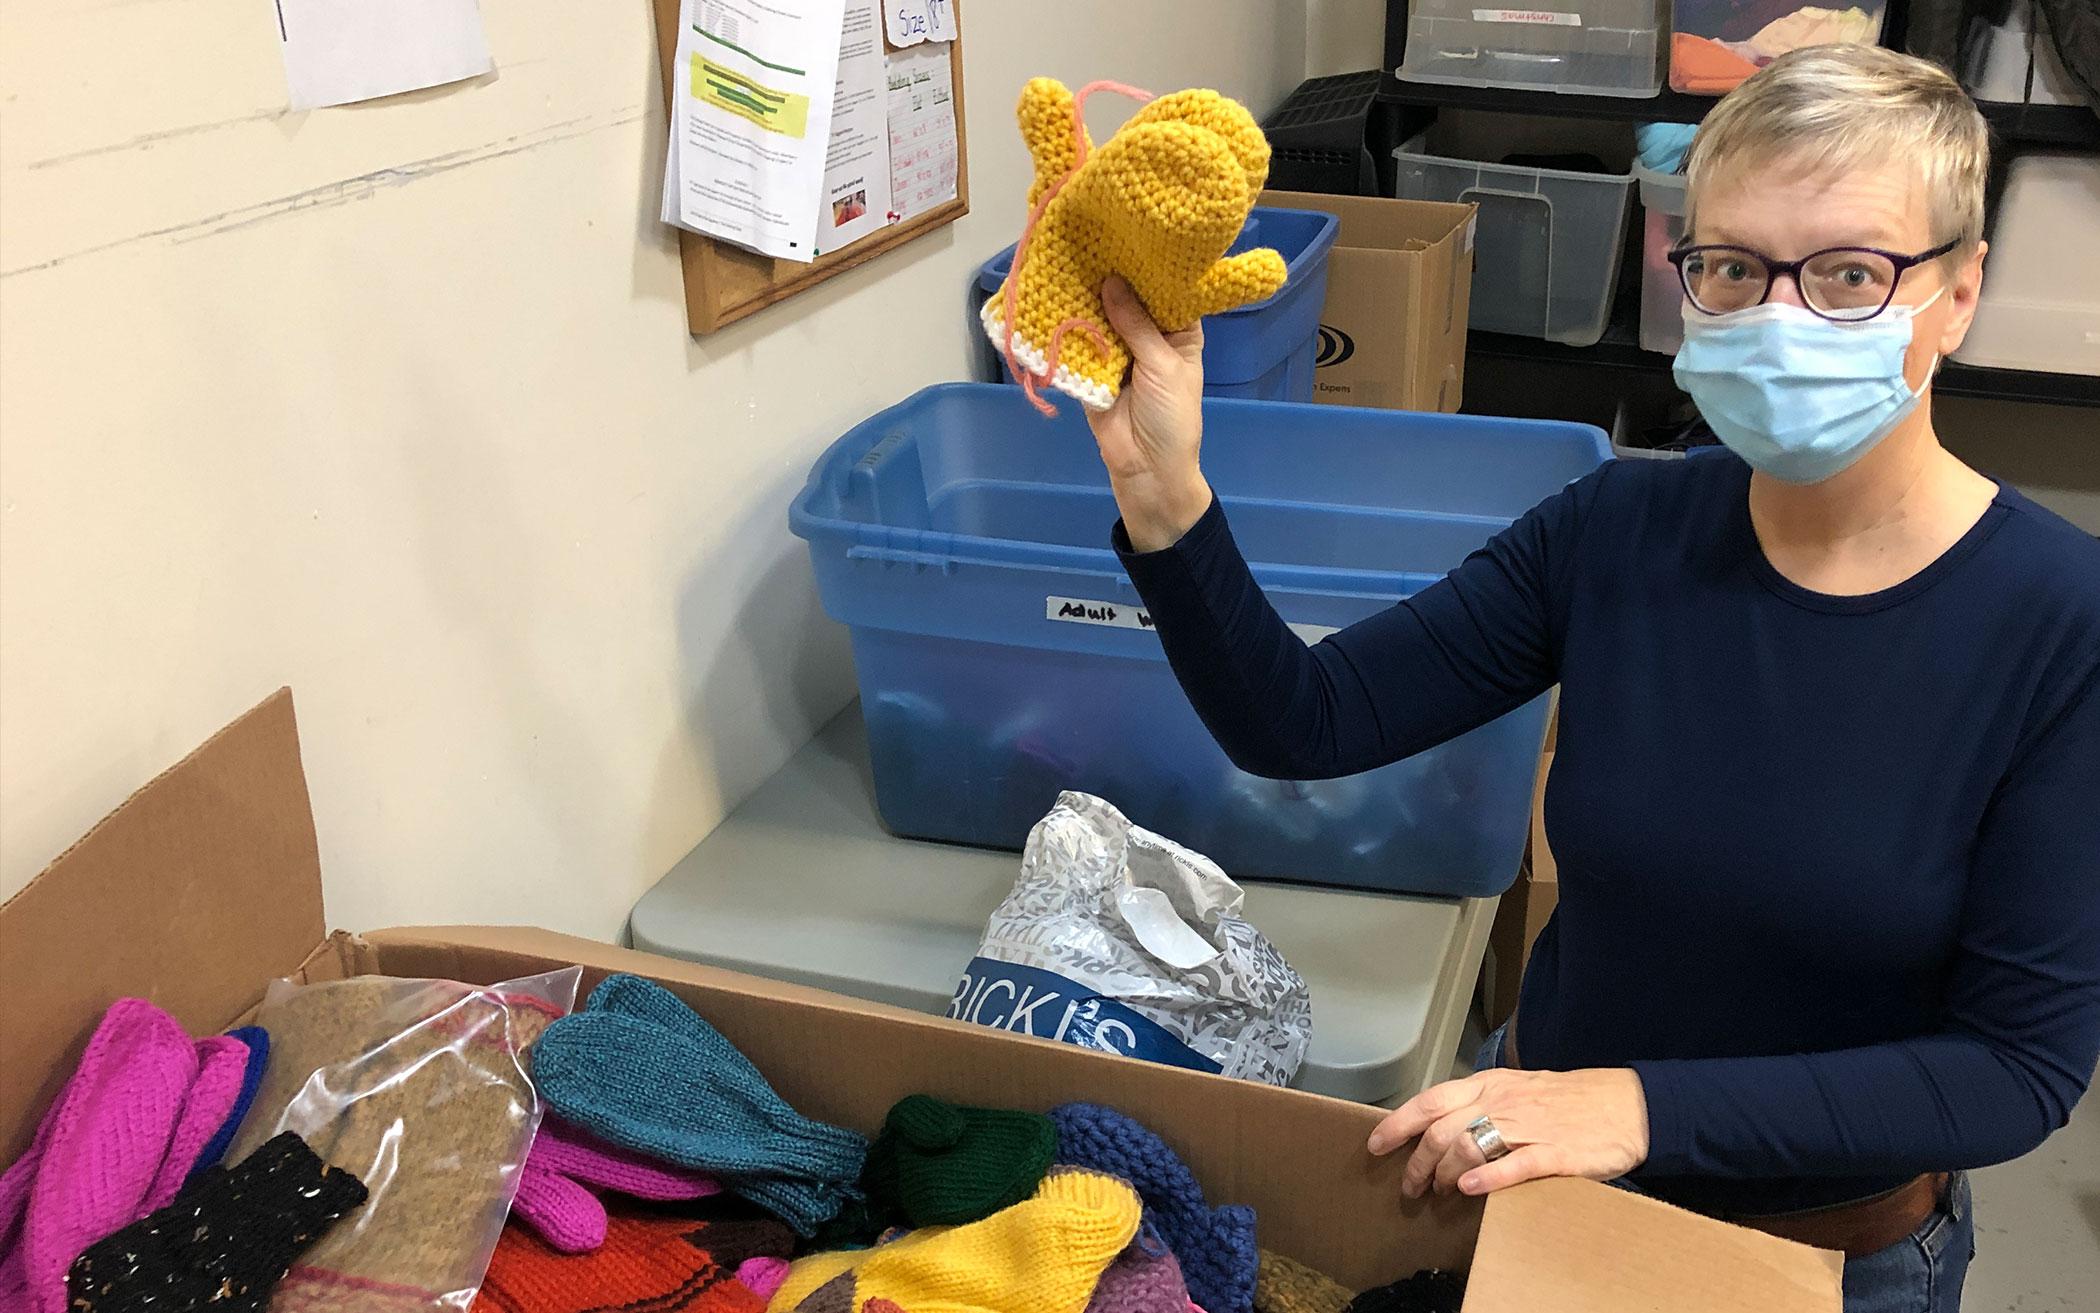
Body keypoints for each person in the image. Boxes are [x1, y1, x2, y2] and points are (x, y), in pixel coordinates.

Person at [1086, 44, 2100, 1313]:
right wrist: (1165, 491)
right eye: (1734, 266)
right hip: (1551, 1191)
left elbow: (2012, 1069)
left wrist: (1634, 1107)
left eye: (1849, 273)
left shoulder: (2065, 625)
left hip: (1827, 1255)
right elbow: (1306, 718)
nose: (1781, 316)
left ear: (1959, 292)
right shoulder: (1619, 527)